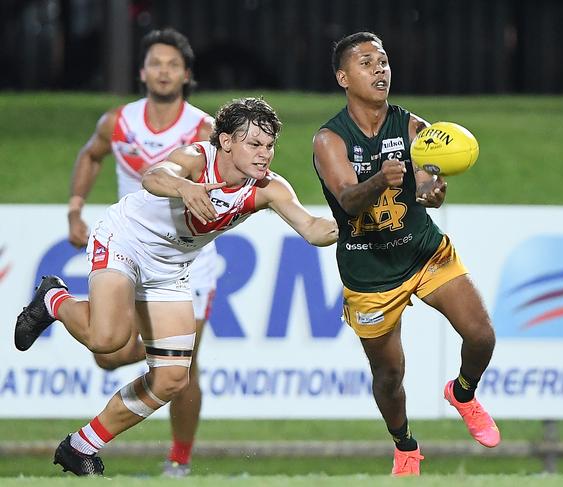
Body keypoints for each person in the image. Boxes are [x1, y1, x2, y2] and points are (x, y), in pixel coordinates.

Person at [15, 97, 338, 477]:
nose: (264, 154)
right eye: (254, 144)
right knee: (107, 340)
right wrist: (185, 188)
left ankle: (81, 446)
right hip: (126, 240)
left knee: (171, 379)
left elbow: (313, 229)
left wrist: (352, 224)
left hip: (171, 268)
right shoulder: (196, 158)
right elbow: (154, 176)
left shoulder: (268, 187)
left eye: (269, 146)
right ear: (227, 142)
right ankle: (53, 299)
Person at [312, 32, 499, 477]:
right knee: (390, 376)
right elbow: (347, 200)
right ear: (343, 77)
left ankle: (464, 393)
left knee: (482, 336)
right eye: (365, 62)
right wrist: (380, 179)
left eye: (383, 60)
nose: (379, 69)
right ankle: (405, 445)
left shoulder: (414, 127)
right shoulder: (329, 140)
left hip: (423, 253)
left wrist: (433, 190)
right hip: (369, 273)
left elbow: (426, 179)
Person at [66, 28, 215, 477]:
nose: (164, 70)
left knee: (184, 366)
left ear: (186, 74)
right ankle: (55, 303)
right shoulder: (118, 122)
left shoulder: (204, 129)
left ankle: (179, 462)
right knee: (107, 353)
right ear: (142, 71)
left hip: (190, 260)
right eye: (156, 62)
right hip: (131, 250)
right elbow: (91, 156)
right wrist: (75, 209)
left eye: (173, 64)